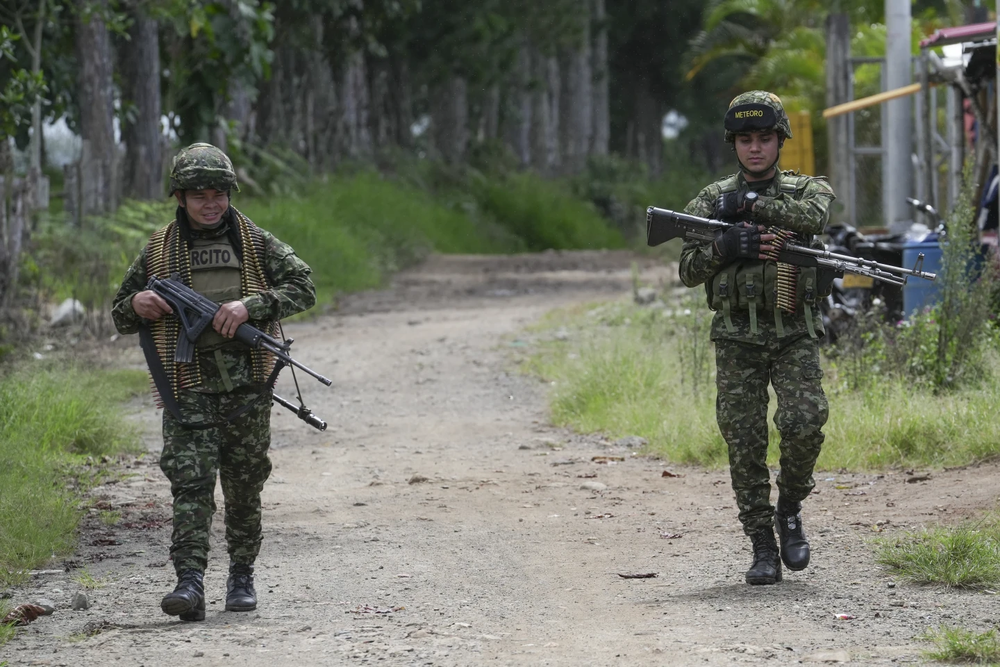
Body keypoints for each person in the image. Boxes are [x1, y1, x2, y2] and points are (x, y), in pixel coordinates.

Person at [111, 143, 317, 620]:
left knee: (245, 485)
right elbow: (121, 314)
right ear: (179, 197)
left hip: (248, 385)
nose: (211, 203)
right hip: (187, 385)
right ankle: (189, 582)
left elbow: (303, 285)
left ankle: (241, 576)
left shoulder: (256, 243)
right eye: (199, 194)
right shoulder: (158, 250)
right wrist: (138, 304)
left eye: (219, 193)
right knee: (191, 484)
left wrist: (251, 306)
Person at [678, 91, 835, 585]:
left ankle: (789, 507)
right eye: (744, 139)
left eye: (764, 138)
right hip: (736, 337)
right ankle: (762, 545)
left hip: (794, 331)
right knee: (744, 442)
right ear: (733, 144)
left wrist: (750, 206)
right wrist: (726, 244)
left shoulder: (807, 190)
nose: (755, 148)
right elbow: (687, 269)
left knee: (806, 421)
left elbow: (816, 218)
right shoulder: (709, 201)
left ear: (780, 140)